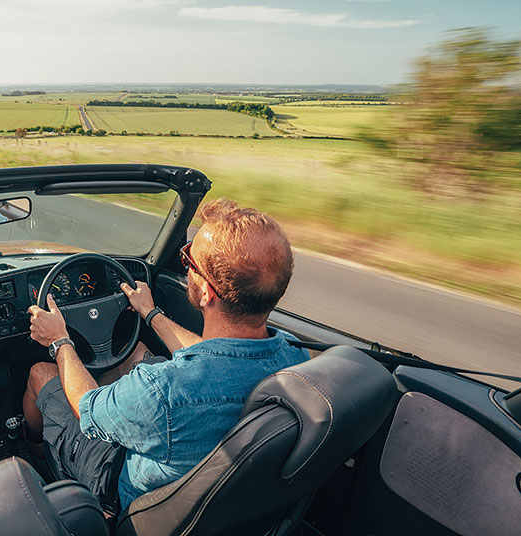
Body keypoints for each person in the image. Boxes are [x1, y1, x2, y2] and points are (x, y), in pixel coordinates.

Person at [22, 198, 310, 514]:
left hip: (122, 487)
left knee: (40, 373)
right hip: (217, 496)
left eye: (188, 259)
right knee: (138, 352)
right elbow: (216, 356)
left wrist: (60, 340)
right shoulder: (294, 356)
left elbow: (88, 409)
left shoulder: (164, 389)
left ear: (204, 291)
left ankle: (37, 452)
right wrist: (150, 313)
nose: (184, 263)